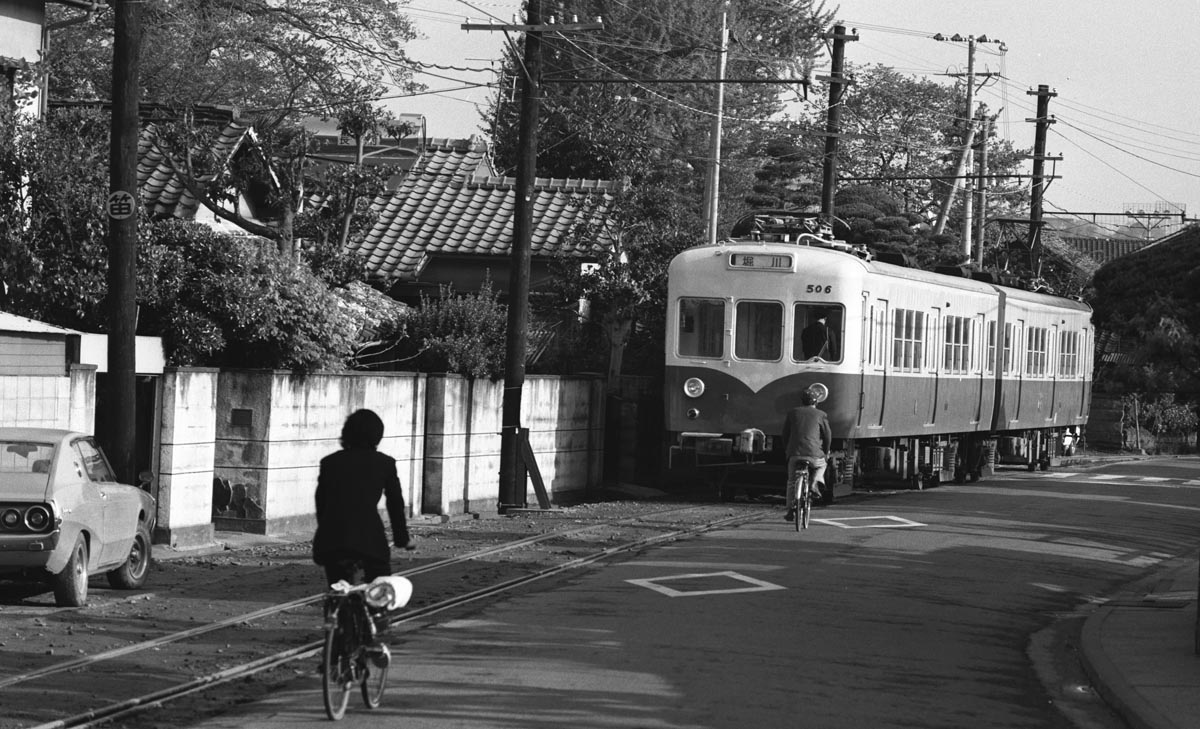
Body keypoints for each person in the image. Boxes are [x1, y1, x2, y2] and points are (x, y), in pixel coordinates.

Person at [313, 409, 415, 588]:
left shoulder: (330, 463)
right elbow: (395, 504)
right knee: (380, 590)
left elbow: (321, 502)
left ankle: (337, 612)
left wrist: (326, 531)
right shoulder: (385, 464)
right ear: (377, 436)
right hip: (369, 540)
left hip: (333, 541)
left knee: (338, 591)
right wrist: (402, 538)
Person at [780, 389, 832, 520]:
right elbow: (827, 436)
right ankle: (814, 482)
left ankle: (790, 510)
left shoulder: (793, 413)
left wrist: (788, 449)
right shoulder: (821, 414)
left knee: (792, 482)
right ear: (816, 402)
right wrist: (826, 451)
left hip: (794, 454)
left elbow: (785, 434)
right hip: (815, 454)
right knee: (822, 465)